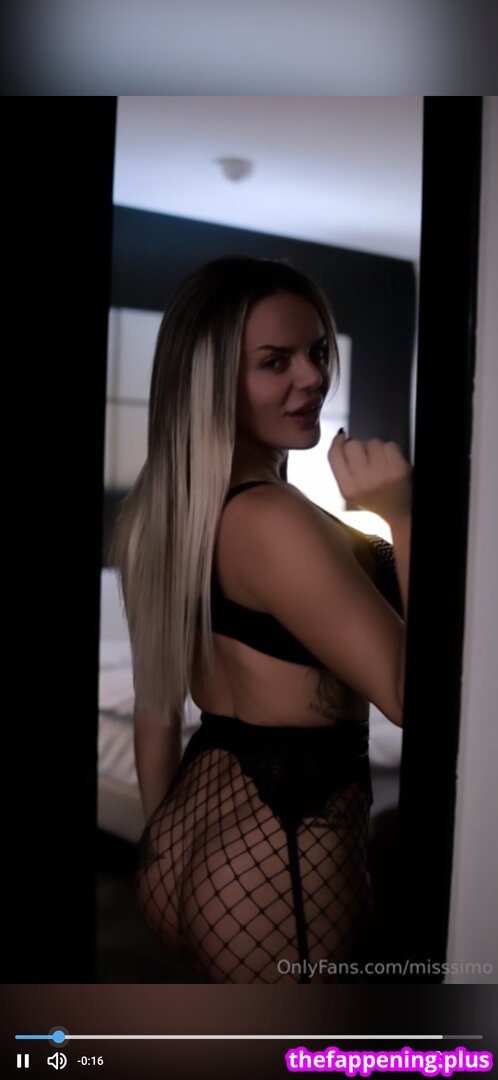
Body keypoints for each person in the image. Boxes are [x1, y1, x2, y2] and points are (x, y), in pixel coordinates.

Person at [113, 255, 412, 984]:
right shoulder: (272, 519)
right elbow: (411, 697)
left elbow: (156, 713)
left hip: (183, 839)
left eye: (317, 351)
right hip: (277, 856)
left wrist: (163, 849)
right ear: (213, 381)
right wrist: (401, 516)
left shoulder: (163, 510)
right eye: (275, 362)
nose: (312, 377)